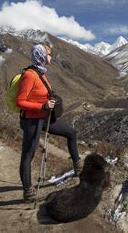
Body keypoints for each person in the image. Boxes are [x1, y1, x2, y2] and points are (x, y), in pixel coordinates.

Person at [16, 43, 80, 202]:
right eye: (49, 54)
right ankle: (28, 191)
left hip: (43, 118)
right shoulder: (30, 75)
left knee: (71, 132)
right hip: (32, 120)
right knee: (28, 155)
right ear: (41, 55)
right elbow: (20, 101)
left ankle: (78, 167)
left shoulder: (41, 73)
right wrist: (42, 105)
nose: (51, 57)